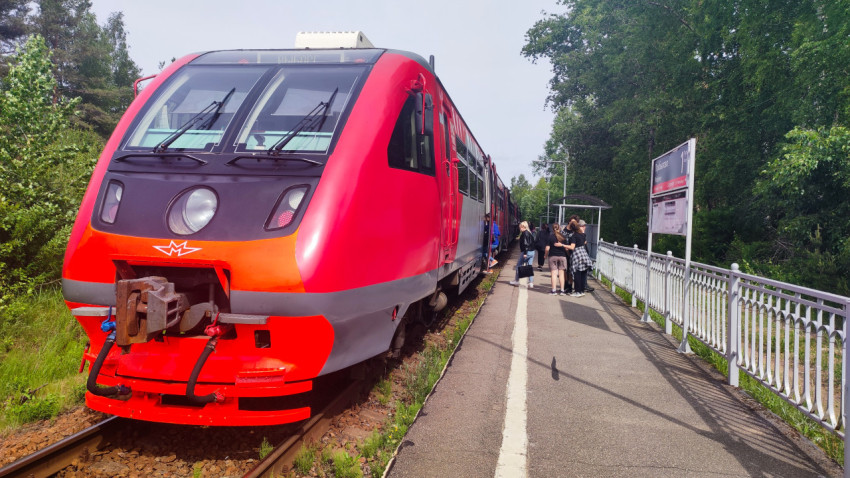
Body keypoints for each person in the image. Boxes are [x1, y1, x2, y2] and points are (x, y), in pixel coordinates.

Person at [566, 219, 593, 297]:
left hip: (577, 255)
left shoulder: (573, 236)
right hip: (584, 254)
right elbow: (584, 242)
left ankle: (577, 292)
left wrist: (563, 245)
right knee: (583, 273)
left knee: (577, 273)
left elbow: (572, 247)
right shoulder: (583, 235)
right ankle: (582, 290)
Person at [545, 222, 569, 295]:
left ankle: (554, 290)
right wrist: (567, 255)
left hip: (552, 256)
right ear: (559, 228)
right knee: (561, 274)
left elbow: (547, 248)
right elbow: (566, 248)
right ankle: (562, 290)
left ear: (552, 229)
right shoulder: (563, 237)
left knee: (554, 274)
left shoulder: (550, 237)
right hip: (562, 256)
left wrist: (545, 255)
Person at [509, 221, 535, 288]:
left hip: (527, 252)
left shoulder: (524, 233)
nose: (519, 228)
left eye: (520, 226)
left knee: (518, 265)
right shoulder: (529, 233)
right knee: (529, 266)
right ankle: (531, 283)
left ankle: (516, 281)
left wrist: (525, 253)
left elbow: (526, 244)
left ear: (523, 227)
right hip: (532, 252)